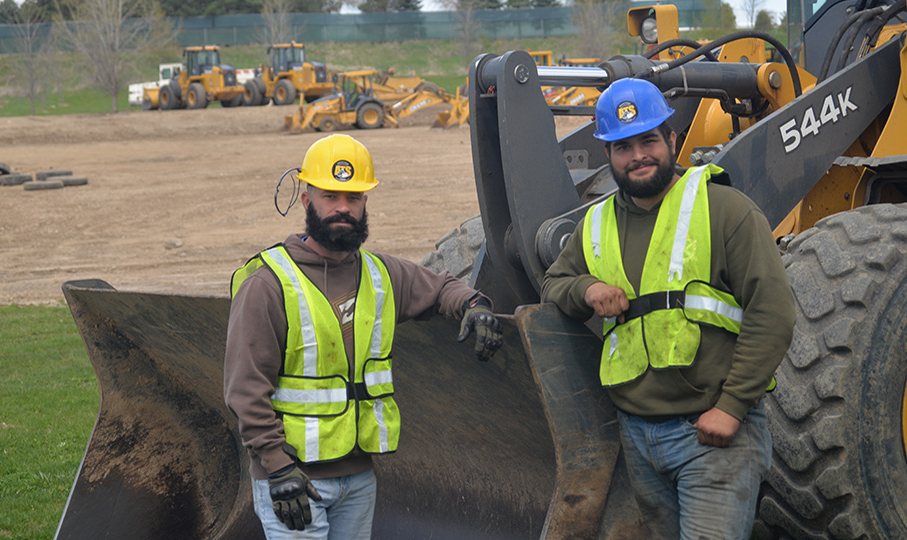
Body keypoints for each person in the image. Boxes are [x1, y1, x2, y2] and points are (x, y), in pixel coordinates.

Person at [541, 78, 795, 539]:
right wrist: (586, 288)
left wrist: (732, 406)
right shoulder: (595, 223)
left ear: (672, 140)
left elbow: (772, 311)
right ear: (608, 156)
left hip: (711, 435)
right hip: (638, 438)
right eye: (622, 146)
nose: (637, 155)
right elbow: (553, 283)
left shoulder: (724, 209)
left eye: (648, 140)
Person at [223, 133, 503, 539]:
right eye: (331, 196)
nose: (342, 208)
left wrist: (475, 305)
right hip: (293, 481)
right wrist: (276, 466)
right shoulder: (269, 284)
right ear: (306, 200)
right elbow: (244, 388)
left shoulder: (380, 274)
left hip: (357, 478)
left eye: (353, 198)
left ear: (366, 203)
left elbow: (441, 286)